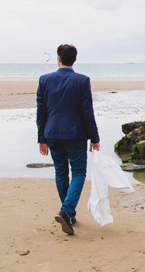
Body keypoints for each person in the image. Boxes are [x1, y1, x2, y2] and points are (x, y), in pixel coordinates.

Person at [37, 44, 100, 235]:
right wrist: (95, 137)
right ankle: (66, 210)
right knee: (79, 172)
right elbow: (87, 112)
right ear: (75, 59)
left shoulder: (45, 80)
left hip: (53, 133)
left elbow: (41, 112)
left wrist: (42, 138)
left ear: (58, 58)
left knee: (61, 171)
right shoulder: (82, 80)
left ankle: (69, 214)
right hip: (75, 134)